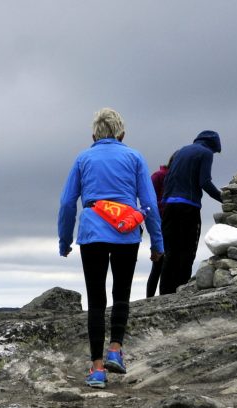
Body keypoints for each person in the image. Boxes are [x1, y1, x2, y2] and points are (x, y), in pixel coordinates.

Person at [58, 108, 164, 389]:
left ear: (94, 135)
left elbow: (68, 203)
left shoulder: (83, 158)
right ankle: (115, 349)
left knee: (95, 299)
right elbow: (150, 204)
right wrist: (157, 242)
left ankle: (96, 369)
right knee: (121, 293)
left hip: (92, 231)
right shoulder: (134, 157)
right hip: (126, 231)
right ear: (122, 135)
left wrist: (64, 240)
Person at [159, 131, 223, 295]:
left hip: (169, 206)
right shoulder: (206, 153)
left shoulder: (181, 151)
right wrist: (224, 198)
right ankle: (181, 292)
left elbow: (168, 178)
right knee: (187, 252)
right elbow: (205, 182)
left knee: (170, 252)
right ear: (213, 145)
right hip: (188, 206)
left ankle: (165, 294)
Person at [145, 161, 171, 297]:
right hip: (160, 223)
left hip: (168, 222)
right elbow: (150, 200)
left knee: (164, 263)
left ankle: (160, 296)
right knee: (158, 263)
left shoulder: (172, 177)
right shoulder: (158, 176)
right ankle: (151, 298)